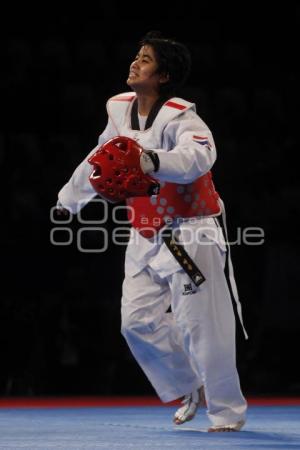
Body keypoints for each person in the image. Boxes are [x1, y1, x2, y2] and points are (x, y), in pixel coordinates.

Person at [57, 31, 248, 432]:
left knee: (203, 326)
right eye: (137, 56)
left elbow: (201, 155)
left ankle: (226, 412)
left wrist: (151, 161)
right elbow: (100, 157)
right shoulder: (119, 109)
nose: (134, 63)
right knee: (137, 322)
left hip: (190, 232)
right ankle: (187, 384)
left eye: (144, 59)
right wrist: (70, 198)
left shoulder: (183, 117)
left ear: (162, 76)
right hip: (144, 231)